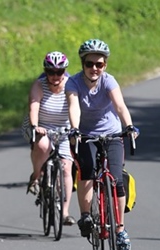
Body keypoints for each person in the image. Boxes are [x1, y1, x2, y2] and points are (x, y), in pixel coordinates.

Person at [65, 39, 139, 250]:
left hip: (112, 134)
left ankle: (120, 230)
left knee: (117, 180)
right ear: (83, 64)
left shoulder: (109, 81)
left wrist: (130, 126)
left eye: (99, 64)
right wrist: (75, 129)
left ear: (104, 65)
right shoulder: (73, 83)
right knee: (86, 171)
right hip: (86, 134)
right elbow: (74, 107)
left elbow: (120, 105)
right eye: (90, 64)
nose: (94, 68)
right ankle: (86, 216)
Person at [22, 51, 76, 226]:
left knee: (67, 168)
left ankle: (65, 212)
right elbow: (34, 107)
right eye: (50, 72)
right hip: (42, 127)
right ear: (45, 71)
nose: (54, 76)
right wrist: (36, 125)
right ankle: (36, 176)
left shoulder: (70, 85)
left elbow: (74, 107)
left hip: (64, 129)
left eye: (59, 72)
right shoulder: (39, 85)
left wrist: (75, 128)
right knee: (43, 146)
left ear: (64, 71)